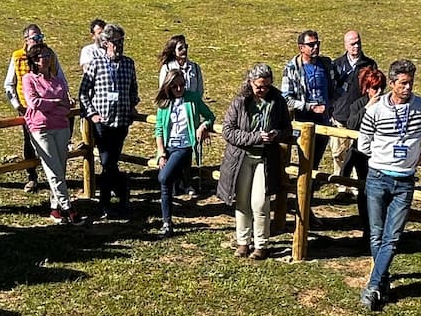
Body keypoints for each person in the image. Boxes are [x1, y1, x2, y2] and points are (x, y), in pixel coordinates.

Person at [353, 60, 421, 313]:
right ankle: (382, 281)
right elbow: (363, 144)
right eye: (403, 83)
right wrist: (381, 154)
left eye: (411, 83)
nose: (408, 88)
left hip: (405, 180)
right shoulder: (376, 110)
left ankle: (373, 285)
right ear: (393, 83)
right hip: (377, 177)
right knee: (376, 235)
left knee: (392, 237)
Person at [218, 64, 292, 260]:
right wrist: (255, 137)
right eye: (260, 86)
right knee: (242, 201)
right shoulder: (240, 101)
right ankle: (243, 242)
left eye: (267, 86)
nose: (263, 90)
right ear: (250, 83)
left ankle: (261, 244)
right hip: (241, 158)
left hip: (266, 159)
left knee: (260, 202)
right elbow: (228, 131)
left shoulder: (277, 101)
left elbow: (287, 129)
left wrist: (276, 134)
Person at [78, 22, 139, 216]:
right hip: (102, 123)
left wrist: (130, 107)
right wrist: (92, 114)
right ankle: (118, 196)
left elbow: (133, 90)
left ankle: (111, 202)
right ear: (106, 43)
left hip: (121, 122)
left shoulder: (129, 63)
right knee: (107, 162)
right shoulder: (96, 62)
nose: (119, 45)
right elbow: (83, 92)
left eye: (121, 41)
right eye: (115, 41)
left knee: (110, 164)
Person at [152, 70, 216, 236]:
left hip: (184, 147)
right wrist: (161, 153)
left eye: (182, 85)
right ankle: (167, 222)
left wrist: (203, 126)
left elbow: (209, 116)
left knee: (164, 178)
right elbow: (158, 129)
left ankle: (168, 220)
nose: (179, 89)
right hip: (168, 147)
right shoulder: (164, 103)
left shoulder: (192, 98)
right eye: (175, 86)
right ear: (168, 86)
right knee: (165, 184)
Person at [20, 44, 77, 224]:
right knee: (53, 169)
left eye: (48, 55)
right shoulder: (29, 79)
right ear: (35, 60)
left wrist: (58, 103)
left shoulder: (57, 80)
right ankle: (68, 208)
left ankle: (55, 208)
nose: (46, 58)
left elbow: (67, 105)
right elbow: (34, 102)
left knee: (60, 168)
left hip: (61, 126)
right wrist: (57, 102)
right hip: (41, 128)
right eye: (42, 56)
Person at [330, 62, 385, 240]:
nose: (378, 92)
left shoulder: (387, 104)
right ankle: (367, 228)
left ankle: (378, 228)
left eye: (381, 88)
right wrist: (369, 106)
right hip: (362, 156)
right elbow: (352, 124)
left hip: (381, 154)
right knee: (363, 191)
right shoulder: (358, 105)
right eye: (374, 88)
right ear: (366, 88)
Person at [4, 26, 60, 195]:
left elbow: (59, 77)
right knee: (29, 142)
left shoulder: (49, 55)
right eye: (35, 37)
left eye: (41, 36)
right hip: (28, 109)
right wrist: (17, 105)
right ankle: (32, 176)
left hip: (50, 108)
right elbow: (9, 83)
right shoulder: (17, 57)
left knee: (51, 143)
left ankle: (54, 176)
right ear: (26, 39)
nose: (39, 40)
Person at [281, 32, 336, 171]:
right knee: (305, 162)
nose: (316, 47)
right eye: (311, 44)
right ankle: (302, 191)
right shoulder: (292, 68)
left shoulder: (326, 64)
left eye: (318, 43)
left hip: (324, 121)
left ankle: (310, 190)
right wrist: (309, 107)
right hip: (303, 122)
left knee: (316, 162)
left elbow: (334, 89)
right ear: (301, 48)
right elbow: (286, 99)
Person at [329, 30, 375, 105]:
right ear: (346, 46)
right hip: (340, 112)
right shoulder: (337, 64)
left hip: (361, 110)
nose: (357, 46)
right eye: (353, 44)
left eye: (358, 43)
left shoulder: (370, 65)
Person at [156, 34, 205, 102]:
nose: (184, 50)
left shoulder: (195, 68)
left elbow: (200, 91)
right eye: (180, 48)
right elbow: (163, 91)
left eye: (186, 47)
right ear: (173, 52)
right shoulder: (167, 68)